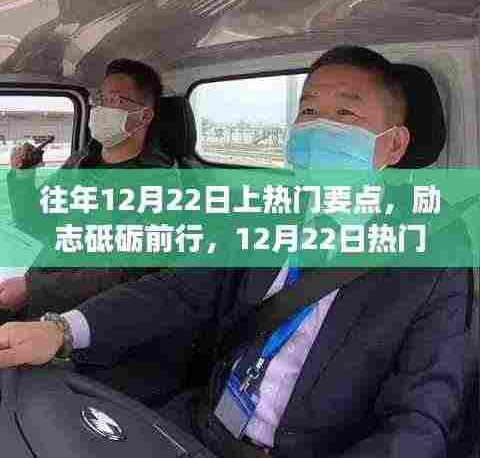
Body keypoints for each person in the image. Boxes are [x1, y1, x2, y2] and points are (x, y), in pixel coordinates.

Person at [0, 46, 472, 457]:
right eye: (308, 111)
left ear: (394, 145)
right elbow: (177, 290)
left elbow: (418, 420)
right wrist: (62, 329)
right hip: (196, 425)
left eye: (346, 114)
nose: (318, 128)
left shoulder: (432, 261)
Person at [0, 58, 178, 317]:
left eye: (114, 99)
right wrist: (23, 178)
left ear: (144, 115)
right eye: (101, 98)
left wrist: (33, 289)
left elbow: (126, 273)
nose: (101, 108)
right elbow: (36, 223)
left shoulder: (161, 185)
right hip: (36, 284)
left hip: (80, 315)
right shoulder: (81, 161)